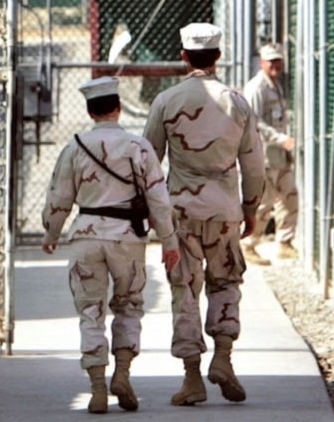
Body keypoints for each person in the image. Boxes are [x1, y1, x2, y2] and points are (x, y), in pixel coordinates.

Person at [142, 23, 265, 407]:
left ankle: (192, 377)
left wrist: (152, 214)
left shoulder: (167, 100)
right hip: (225, 209)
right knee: (226, 282)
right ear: (218, 56)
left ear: (183, 56)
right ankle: (224, 358)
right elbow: (255, 164)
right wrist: (251, 207)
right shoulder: (237, 101)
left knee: (185, 288)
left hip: (180, 212)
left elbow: (148, 161)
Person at [42, 75, 180, 415]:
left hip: (87, 237)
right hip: (127, 238)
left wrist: (52, 234)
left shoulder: (75, 146)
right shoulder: (139, 147)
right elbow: (159, 200)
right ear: (118, 108)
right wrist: (169, 241)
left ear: (90, 111)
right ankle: (122, 373)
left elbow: (60, 198)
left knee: (90, 312)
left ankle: (97, 388)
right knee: (129, 305)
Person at [241, 43, 300, 265]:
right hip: (265, 154)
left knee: (290, 196)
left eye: (278, 61)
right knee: (264, 203)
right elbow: (254, 122)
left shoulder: (275, 84)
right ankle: (248, 244)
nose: (275, 65)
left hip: (279, 155)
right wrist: (280, 138)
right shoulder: (257, 87)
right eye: (271, 61)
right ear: (262, 63)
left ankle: (285, 242)